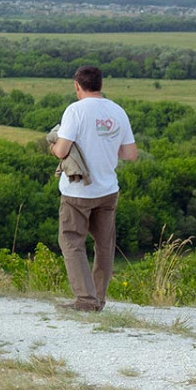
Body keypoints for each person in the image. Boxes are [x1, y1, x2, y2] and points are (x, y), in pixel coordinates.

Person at [49, 65, 136, 312]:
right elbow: (130, 154)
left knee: (71, 241)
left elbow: (63, 149)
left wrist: (54, 148)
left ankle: (86, 301)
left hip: (77, 191)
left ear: (77, 85)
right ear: (101, 84)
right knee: (104, 245)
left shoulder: (75, 111)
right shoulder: (117, 111)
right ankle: (99, 298)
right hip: (107, 189)